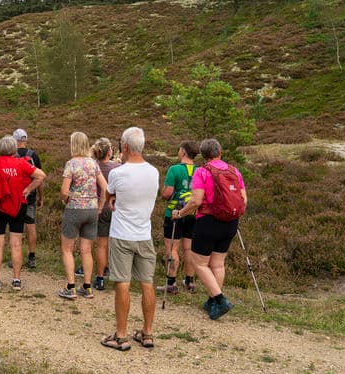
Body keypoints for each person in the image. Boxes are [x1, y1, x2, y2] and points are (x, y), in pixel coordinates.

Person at [173, 138, 247, 320]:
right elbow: (244, 199)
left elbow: (196, 201)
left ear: (204, 155)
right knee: (218, 263)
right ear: (220, 152)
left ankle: (220, 300)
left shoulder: (202, 172)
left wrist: (181, 213)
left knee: (199, 263)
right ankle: (212, 302)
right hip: (231, 222)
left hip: (208, 221)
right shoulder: (234, 171)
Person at [102, 127, 159, 351]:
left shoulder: (118, 173)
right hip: (144, 234)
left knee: (122, 284)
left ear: (125, 147)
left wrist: (112, 199)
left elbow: (109, 194)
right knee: (147, 283)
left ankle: (121, 335)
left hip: (122, 235)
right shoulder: (154, 172)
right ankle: (147, 333)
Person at [0, 135, 46, 291]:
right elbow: (41, 175)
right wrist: (28, 190)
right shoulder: (21, 163)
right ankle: (16, 280)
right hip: (18, 205)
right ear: (14, 149)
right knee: (16, 243)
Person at [57, 132, 107, 299]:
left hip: (74, 209)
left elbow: (64, 191)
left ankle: (70, 287)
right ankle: (87, 287)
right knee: (86, 251)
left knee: (67, 249)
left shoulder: (71, 164)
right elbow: (105, 187)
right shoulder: (93, 163)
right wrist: (99, 206)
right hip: (92, 209)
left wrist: (66, 200)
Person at [160, 141, 199, 294]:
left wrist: (163, 194)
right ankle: (189, 281)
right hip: (193, 213)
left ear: (183, 152)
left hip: (174, 214)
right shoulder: (200, 170)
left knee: (172, 248)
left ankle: (171, 283)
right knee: (189, 248)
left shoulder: (174, 169)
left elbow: (167, 193)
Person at [89, 137, 119, 291]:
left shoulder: (93, 166)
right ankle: (117, 277)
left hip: (100, 208)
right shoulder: (118, 167)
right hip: (116, 208)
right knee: (116, 244)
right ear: (109, 152)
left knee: (101, 244)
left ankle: (100, 278)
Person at [13, 129, 43, 268]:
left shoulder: (11, 155)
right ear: (26, 139)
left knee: (15, 228)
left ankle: (15, 257)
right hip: (30, 196)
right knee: (31, 226)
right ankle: (32, 258)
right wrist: (40, 196)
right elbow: (40, 178)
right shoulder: (33, 155)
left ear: (14, 140)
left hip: (14, 197)